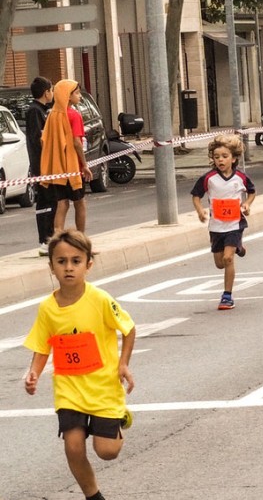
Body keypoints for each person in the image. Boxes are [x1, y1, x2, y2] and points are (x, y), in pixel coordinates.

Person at [23, 230, 136, 500]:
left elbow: (129, 329)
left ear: (88, 265)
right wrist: (34, 373)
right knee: (73, 447)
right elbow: (43, 345)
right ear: (51, 267)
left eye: (76, 261)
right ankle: (93, 496)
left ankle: (119, 418)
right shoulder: (47, 308)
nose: (69, 267)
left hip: (103, 387)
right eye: (61, 262)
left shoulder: (99, 299)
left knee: (107, 451)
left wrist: (123, 364)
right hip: (69, 388)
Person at [190, 134, 256, 310]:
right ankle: (239, 248)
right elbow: (196, 196)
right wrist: (200, 210)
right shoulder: (209, 178)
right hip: (216, 226)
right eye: (217, 157)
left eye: (225, 156)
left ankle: (227, 296)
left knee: (228, 258)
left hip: (235, 224)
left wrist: (247, 204)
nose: (220, 160)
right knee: (219, 263)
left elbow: (251, 191)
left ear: (233, 158)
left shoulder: (240, 178)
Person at [41, 80, 92, 236]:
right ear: (67, 96)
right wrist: (84, 165)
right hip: (72, 167)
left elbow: (44, 140)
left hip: (58, 167)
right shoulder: (74, 115)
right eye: (76, 93)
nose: (80, 97)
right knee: (80, 202)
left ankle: (57, 237)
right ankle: (81, 238)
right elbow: (77, 143)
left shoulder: (52, 115)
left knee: (62, 203)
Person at [26, 76, 54, 255]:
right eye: (51, 90)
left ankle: (48, 237)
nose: (52, 94)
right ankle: (45, 239)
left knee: (50, 201)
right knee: (45, 201)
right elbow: (39, 138)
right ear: (46, 92)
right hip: (41, 164)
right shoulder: (35, 111)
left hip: (46, 163)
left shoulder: (43, 110)